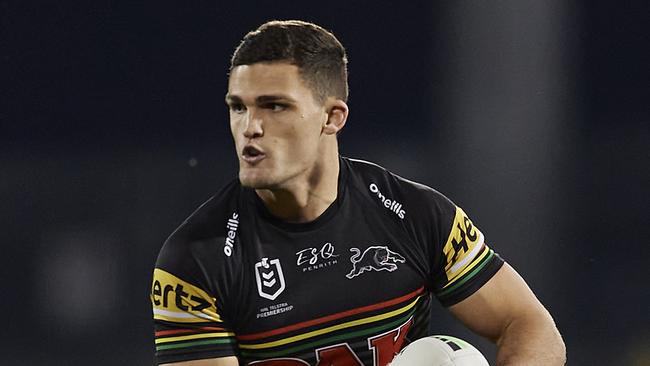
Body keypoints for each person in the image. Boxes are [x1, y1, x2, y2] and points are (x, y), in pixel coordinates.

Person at [150, 20, 566, 366]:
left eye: (274, 106)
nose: (250, 127)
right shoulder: (196, 261)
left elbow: (531, 327)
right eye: (238, 107)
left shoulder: (416, 214)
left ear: (332, 118)